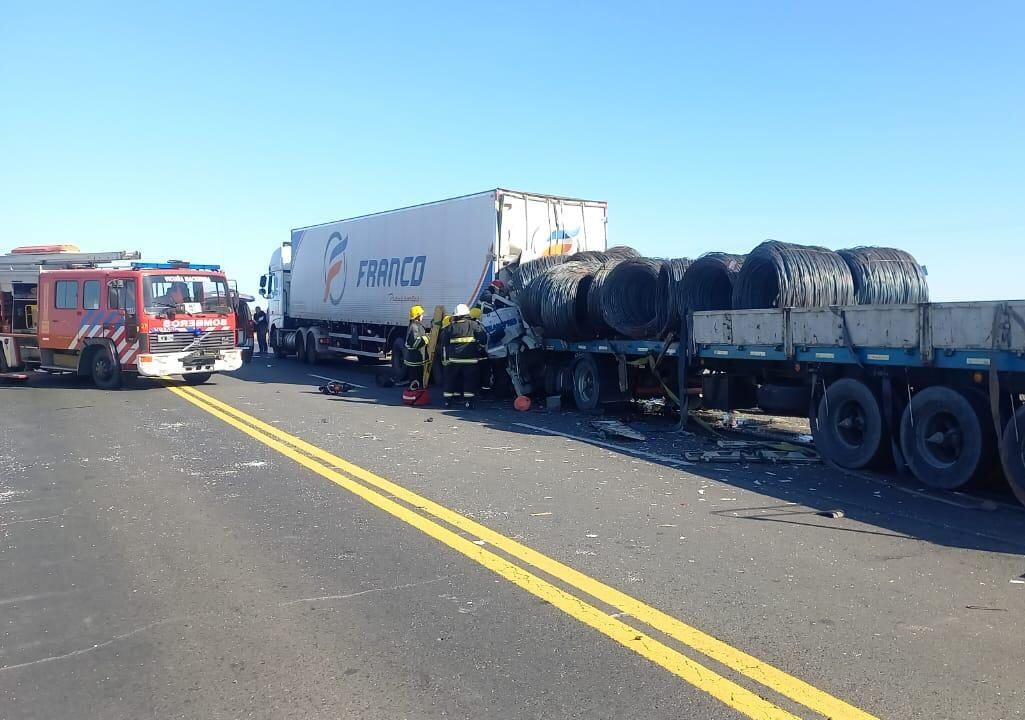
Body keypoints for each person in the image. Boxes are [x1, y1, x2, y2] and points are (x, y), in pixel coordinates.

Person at [437, 303, 487, 409]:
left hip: (454, 360)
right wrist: (479, 348)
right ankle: (468, 402)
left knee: (451, 380)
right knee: (470, 381)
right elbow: (483, 339)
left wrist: (445, 360)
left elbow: (444, 346)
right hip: (471, 360)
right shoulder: (474, 325)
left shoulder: (450, 328)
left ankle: (447, 402)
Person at [403, 304, 427, 384]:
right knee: (415, 380)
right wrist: (426, 339)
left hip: (415, 358)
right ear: (417, 316)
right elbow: (415, 343)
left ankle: (415, 393)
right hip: (415, 359)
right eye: (421, 314)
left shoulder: (415, 325)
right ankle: (414, 394)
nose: (423, 316)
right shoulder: (414, 327)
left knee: (416, 379)